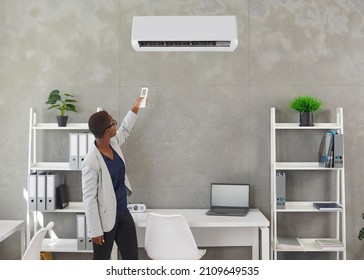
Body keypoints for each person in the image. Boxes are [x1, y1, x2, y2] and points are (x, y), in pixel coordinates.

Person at [81, 97, 143, 260]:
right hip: (105, 221)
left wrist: (135, 109)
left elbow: (125, 130)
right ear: (107, 130)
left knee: (132, 259)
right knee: (101, 262)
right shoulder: (91, 161)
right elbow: (89, 198)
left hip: (123, 214)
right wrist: (95, 230)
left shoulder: (113, 143)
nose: (116, 124)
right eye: (113, 122)